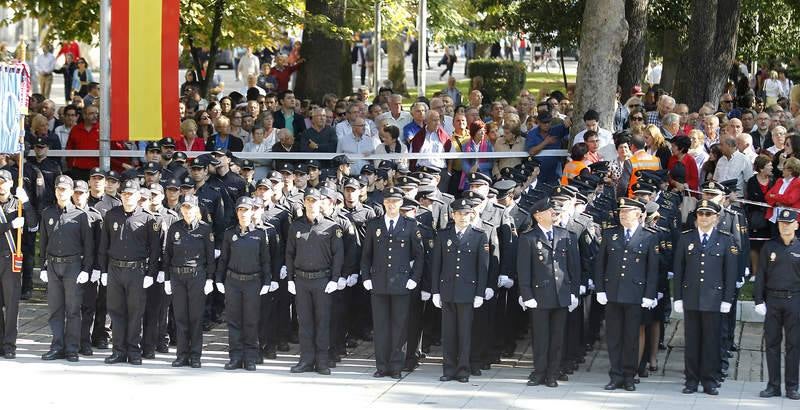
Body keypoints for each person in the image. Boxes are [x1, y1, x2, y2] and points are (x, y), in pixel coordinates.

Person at [673, 199, 738, 395]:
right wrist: (677, 297)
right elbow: (679, 270)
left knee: (711, 341)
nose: (703, 218)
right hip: (692, 297)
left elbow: (730, 273)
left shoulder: (726, 240)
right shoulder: (686, 239)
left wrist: (727, 299)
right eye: (700, 214)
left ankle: (709, 380)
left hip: (714, 299)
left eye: (708, 214)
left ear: (716, 218)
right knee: (692, 341)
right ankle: (691, 380)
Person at [594, 198, 659, 391]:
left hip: (635, 294)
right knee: (614, 337)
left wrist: (649, 294)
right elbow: (600, 264)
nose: (622, 215)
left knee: (631, 337)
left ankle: (629, 375)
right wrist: (600, 289)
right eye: (621, 212)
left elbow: (652, 269)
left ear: (639, 214)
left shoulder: (649, 236)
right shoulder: (611, 234)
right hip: (613, 293)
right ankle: (615, 375)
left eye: (627, 212)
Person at [360, 187, 424, 378]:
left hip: (402, 283)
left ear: (401, 203)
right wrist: (366, 277)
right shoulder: (374, 225)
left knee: (399, 327)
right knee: (380, 327)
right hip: (378, 282)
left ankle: (396, 366)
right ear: (384, 203)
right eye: (388, 201)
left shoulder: (410, 225)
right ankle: (382, 366)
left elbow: (420, 256)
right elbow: (366, 255)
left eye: (395, 201)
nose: (391, 204)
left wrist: (414, 279)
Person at [517, 198, 580, 387]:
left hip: (561, 295)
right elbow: (523, 270)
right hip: (539, 296)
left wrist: (574, 293)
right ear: (538, 216)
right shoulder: (528, 238)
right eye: (548, 211)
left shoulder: (566, 235)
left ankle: (553, 373)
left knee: (557, 338)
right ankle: (539, 372)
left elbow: (574, 267)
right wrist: (527, 295)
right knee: (540, 337)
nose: (553, 213)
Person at [98, 179, 161, 365]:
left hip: (137, 271)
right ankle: (118, 350)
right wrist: (103, 271)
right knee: (116, 311)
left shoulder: (148, 219)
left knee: (135, 312)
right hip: (115, 269)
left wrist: (151, 273)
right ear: (121, 196)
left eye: (131, 195)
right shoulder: (111, 215)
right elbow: (104, 245)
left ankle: (133, 350)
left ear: (137, 196)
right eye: (124, 194)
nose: (127, 198)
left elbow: (155, 249)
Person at [285, 188, 344, 375]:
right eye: (308, 200)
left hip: (322, 281)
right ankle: (306, 360)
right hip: (301, 280)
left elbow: (338, 255)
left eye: (314, 201)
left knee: (322, 322)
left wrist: (335, 279)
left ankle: (322, 362)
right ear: (304, 203)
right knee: (305, 323)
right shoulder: (295, 226)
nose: (311, 204)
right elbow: (289, 254)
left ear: (321, 203)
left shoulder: (331, 227)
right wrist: (290, 279)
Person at [431, 197, 489, 383]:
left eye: (467, 214)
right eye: (459, 214)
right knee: (448, 333)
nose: (463, 217)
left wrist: (480, 292)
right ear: (452, 215)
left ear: (471, 215)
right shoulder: (443, 235)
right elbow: (436, 265)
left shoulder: (480, 236)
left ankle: (463, 370)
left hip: (467, 292)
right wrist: (435, 291)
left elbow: (483, 267)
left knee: (465, 333)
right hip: (447, 289)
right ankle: (448, 369)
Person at [38, 175, 94, 362]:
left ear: (71, 192)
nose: (61, 192)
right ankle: (57, 346)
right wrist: (43, 267)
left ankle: (71, 348)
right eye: (58, 189)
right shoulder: (47, 213)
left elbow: (88, 246)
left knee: (72, 310)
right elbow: (44, 241)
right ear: (55, 190)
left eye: (65, 189)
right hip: (53, 265)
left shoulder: (80, 215)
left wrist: (86, 269)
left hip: (73, 266)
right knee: (55, 309)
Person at [215, 196, 274, 371]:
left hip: (253, 283)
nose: (243, 213)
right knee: (234, 321)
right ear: (237, 212)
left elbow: (265, 260)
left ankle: (250, 357)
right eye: (240, 210)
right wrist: (219, 279)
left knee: (251, 321)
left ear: (252, 212)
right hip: (233, 282)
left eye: (246, 210)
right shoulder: (229, 234)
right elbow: (224, 259)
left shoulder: (260, 234)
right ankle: (235, 356)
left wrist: (267, 281)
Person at [753, 209, 800, 400]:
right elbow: (760, 276)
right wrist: (758, 300)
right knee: (771, 344)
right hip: (772, 301)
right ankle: (773, 385)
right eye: (782, 223)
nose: (785, 226)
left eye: (789, 223)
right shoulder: (769, 247)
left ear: (796, 225)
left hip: (795, 301)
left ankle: (792, 386)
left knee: (794, 345)